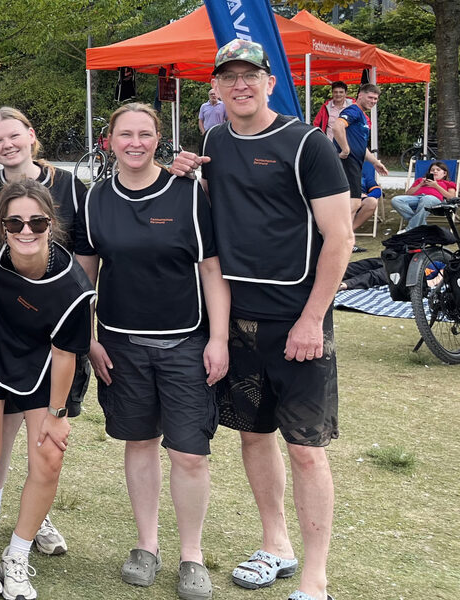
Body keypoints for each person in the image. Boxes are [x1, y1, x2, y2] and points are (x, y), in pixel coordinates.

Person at [171, 39, 353, 600]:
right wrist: (184, 172)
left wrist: (312, 318)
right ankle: (277, 546)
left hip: (298, 322)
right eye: (229, 78)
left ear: (271, 82)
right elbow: (222, 207)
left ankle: (316, 577)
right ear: (217, 89)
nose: (240, 85)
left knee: (305, 448)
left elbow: (340, 237)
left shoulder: (308, 146)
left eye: (251, 76)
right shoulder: (214, 140)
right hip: (238, 319)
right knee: (254, 437)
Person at [76, 103, 229, 600]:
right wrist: (90, 339)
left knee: (189, 453)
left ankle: (192, 556)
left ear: (158, 139)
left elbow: (211, 271)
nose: (135, 142)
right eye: (126, 134)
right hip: (121, 346)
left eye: (145, 134)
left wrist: (220, 339)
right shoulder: (96, 198)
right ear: (110, 141)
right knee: (138, 444)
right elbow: (85, 278)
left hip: (186, 343)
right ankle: (147, 545)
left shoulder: (187, 194)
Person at [0, 180, 95, 599]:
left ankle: (17, 555)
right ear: (1, 226)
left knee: (49, 459)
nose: (26, 230)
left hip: (41, 369)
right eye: (15, 221)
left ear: (50, 224)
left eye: (36, 221)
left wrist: (58, 416)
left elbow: (65, 355)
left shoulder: (73, 285)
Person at [329, 83, 388, 252]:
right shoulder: (353, 111)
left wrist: (375, 162)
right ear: (360, 95)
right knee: (353, 203)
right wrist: (345, 148)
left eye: (376, 99)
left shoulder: (363, 117)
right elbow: (337, 126)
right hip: (347, 162)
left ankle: (343, 238)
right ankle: (340, 238)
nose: (373, 101)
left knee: (352, 204)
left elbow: (361, 147)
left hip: (356, 163)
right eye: (370, 97)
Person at [390, 161, 457, 231]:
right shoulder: (420, 180)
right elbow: (408, 194)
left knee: (426, 198)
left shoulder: (448, 183)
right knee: (395, 200)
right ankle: (420, 224)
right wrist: (420, 185)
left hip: (434, 200)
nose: (435, 171)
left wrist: (436, 186)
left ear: (444, 173)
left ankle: (410, 229)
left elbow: (451, 197)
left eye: (438, 170)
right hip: (416, 199)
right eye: (432, 170)